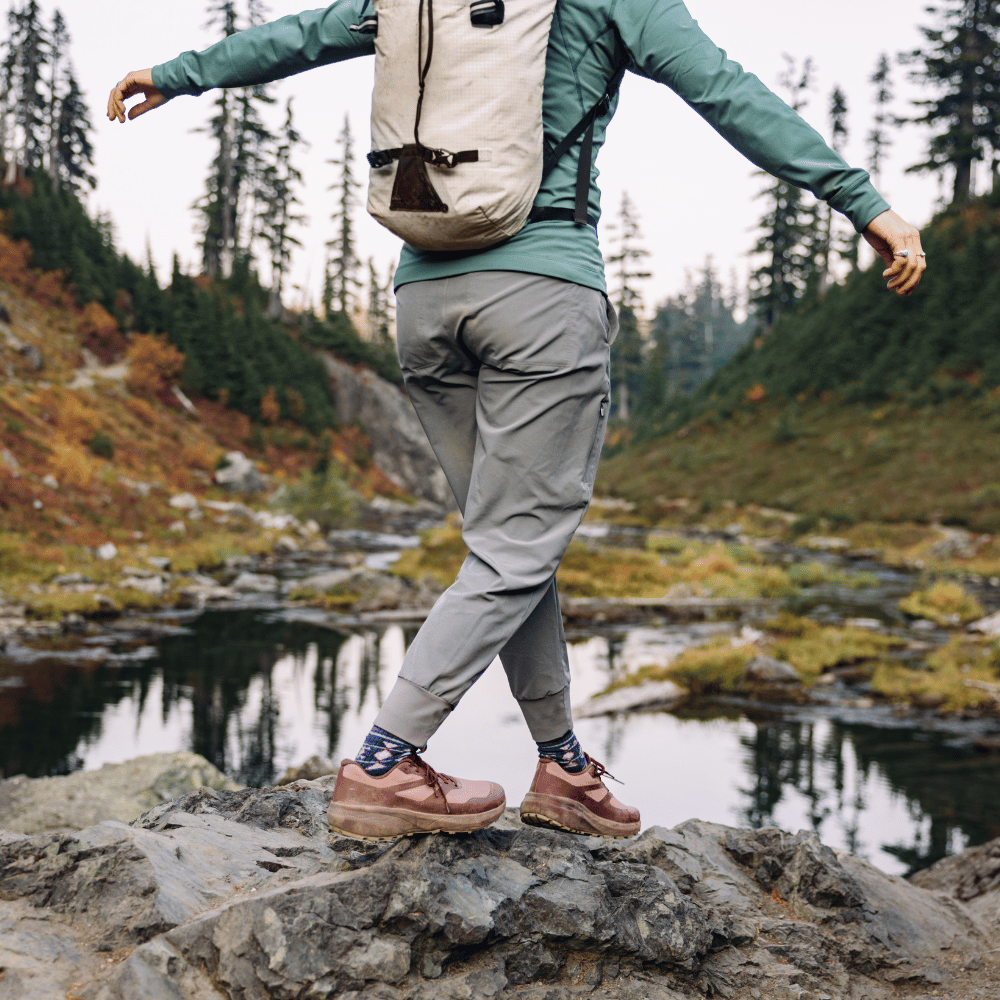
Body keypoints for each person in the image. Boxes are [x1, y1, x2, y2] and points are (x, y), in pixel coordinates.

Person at [108, 0, 926, 842]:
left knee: (505, 546)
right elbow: (725, 90)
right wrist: (864, 202)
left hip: (424, 302)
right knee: (516, 546)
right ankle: (386, 760)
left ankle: (563, 766)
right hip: (541, 297)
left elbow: (301, 37)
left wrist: (176, 75)